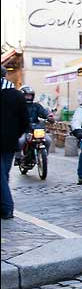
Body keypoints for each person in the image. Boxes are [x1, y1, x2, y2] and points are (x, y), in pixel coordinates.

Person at [1, 66, 31, 219]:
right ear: (5, 75)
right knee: (3, 174)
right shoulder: (17, 95)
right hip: (10, 141)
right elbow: (25, 120)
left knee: (2, 176)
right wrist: (15, 134)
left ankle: (7, 208)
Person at [15, 85, 55, 164]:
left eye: (30, 95)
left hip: (36, 129)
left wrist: (49, 116)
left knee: (48, 140)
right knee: (20, 141)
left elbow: (43, 112)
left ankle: (44, 157)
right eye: (27, 95)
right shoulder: (18, 106)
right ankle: (18, 158)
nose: (29, 97)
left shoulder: (36, 105)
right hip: (24, 129)